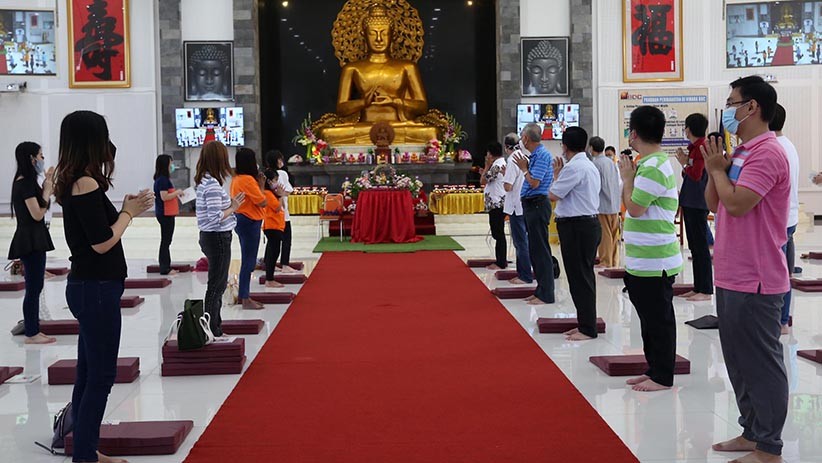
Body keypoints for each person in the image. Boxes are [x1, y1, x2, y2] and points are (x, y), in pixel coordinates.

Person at [54, 110, 154, 463]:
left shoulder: (73, 180)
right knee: (100, 377)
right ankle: (84, 455)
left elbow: (100, 229)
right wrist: (129, 214)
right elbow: (101, 242)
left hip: (89, 285)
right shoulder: (86, 183)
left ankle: (86, 451)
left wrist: (125, 208)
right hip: (95, 287)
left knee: (87, 375)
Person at [704, 75, 789, 463]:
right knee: (738, 361)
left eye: (732, 101)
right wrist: (714, 167)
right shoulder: (741, 153)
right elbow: (716, 204)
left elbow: (738, 204)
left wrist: (721, 172)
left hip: (756, 278)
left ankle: (769, 446)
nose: (728, 108)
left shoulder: (768, 153)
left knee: (761, 363)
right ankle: (751, 431)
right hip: (730, 273)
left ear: (751, 106)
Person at [618, 105, 683, 392]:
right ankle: (654, 368)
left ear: (633, 134)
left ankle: (663, 376)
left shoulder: (654, 167)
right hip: (645, 259)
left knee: (659, 322)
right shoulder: (649, 163)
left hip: (656, 260)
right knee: (648, 321)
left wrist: (627, 179)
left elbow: (635, 208)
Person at [549, 127, 601, 341]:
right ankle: (584, 323)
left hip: (577, 227)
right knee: (582, 276)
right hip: (584, 225)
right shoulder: (587, 164)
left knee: (580, 278)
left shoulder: (574, 167)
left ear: (565, 146)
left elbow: (553, 195)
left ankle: (588, 328)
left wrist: (556, 176)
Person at [8, 142, 56, 345]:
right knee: (33, 287)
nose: (42, 159)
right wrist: (46, 189)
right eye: (40, 155)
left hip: (34, 236)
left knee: (35, 286)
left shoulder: (27, 182)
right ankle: (31, 332)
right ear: (31, 158)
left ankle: (33, 328)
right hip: (30, 238)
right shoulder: (25, 183)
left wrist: (47, 184)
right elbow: (37, 213)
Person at [196, 141, 245, 336]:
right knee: (217, 285)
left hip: (212, 237)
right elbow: (215, 216)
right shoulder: (213, 185)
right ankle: (212, 328)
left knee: (216, 283)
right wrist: (233, 207)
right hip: (217, 237)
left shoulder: (205, 181)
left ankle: (214, 326)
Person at [513, 122, 555, 305]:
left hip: (537, 204)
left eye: (522, 136)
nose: (521, 140)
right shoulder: (535, 155)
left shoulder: (542, 155)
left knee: (540, 250)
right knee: (535, 250)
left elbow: (535, 182)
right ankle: (540, 290)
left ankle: (546, 293)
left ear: (526, 138)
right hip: (532, 205)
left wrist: (523, 168)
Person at [674, 113, 713, 302]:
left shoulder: (701, 147)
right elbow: (691, 172)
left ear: (688, 128)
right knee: (695, 247)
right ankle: (699, 286)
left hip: (698, 202)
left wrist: (684, 163)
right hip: (692, 200)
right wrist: (685, 164)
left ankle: (705, 289)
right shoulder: (695, 148)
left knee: (700, 247)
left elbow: (697, 175)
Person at [770, 104, 799, 336]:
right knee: (784, 269)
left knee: (780, 271)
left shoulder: (774, 148)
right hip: (788, 216)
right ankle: (782, 318)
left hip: (780, 218)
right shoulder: (788, 145)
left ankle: (780, 319)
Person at [230, 147, 267, 309]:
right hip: (250, 220)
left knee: (247, 259)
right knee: (249, 260)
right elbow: (262, 201)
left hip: (240, 218)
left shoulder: (236, 179)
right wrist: (262, 185)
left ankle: (244, 295)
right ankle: (245, 297)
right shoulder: (248, 180)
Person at [502, 133, 533, 285]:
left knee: (520, 242)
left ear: (506, 146)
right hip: (524, 204)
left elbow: (508, 186)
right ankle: (522, 272)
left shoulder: (512, 159)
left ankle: (525, 275)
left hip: (516, 206)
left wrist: (504, 178)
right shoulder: (524, 156)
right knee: (523, 241)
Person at [263, 150, 298, 272]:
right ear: (278, 160)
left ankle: (268, 263)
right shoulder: (281, 173)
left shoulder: (266, 174)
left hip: (269, 213)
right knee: (286, 238)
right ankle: (285, 264)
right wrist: (281, 194)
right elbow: (288, 190)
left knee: (272, 241)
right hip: (281, 211)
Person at [590, 136, 621, 268]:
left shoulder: (596, 164)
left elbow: (595, 186)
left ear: (591, 148)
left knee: (605, 234)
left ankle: (605, 261)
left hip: (602, 203)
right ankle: (614, 260)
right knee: (614, 234)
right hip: (614, 202)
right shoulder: (611, 162)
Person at [153, 155, 183, 275]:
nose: (172, 166)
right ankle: (165, 267)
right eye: (170, 163)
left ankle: (166, 265)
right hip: (165, 214)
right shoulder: (162, 180)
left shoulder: (163, 179)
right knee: (166, 241)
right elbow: (164, 197)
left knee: (166, 241)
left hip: (167, 213)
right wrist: (177, 192)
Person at [480, 141, 507, 270]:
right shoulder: (499, 164)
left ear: (490, 154)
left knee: (498, 233)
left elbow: (483, 180)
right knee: (498, 232)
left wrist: (486, 166)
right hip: (496, 202)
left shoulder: (496, 165)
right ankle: (500, 259)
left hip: (497, 203)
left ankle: (501, 262)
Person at [262, 170, 286, 288]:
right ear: (269, 181)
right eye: (275, 180)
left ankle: (270, 278)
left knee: (275, 251)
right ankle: (269, 279)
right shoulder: (267, 193)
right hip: (272, 226)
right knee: (273, 252)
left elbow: (282, 206)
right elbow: (277, 208)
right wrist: (280, 195)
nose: (277, 182)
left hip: (276, 226)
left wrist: (279, 194)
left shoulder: (272, 193)